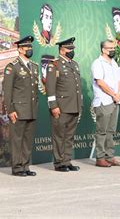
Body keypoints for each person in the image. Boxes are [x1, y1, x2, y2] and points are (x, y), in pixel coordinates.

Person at [3, 35, 39, 176]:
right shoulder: (12, 67)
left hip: (31, 109)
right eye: (27, 47)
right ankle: (17, 167)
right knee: (17, 140)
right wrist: (10, 110)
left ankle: (25, 166)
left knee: (27, 140)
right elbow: (7, 91)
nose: (30, 49)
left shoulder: (34, 67)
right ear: (19, 49)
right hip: (18, 110)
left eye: (31, 47)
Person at [45, 37, 82, 172]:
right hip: (61, 107)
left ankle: (67, 161)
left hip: (73, 106)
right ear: (62, 50)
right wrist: (53, 106)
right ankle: (59, 163)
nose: (72, 51)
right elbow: (50, 87)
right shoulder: (54, 65)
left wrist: (79, 105)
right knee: (59, 136)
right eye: (69, 49)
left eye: (72, 49)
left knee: (69, 136)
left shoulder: (74, 64)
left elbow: (77, 87)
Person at [91, 40, 120, 167]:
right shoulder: (98, 63)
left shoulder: (114, 64)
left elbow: (119, 80)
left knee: (111, 130)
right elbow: (100, 83)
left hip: (115, 100)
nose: (113, 50)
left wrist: (118, 94)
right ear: (103, 49)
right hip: (104, 101)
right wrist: (113, 95)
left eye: (114, 48)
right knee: (102, 131)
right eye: (110, 48)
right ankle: (100, 158)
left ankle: (109, 156)